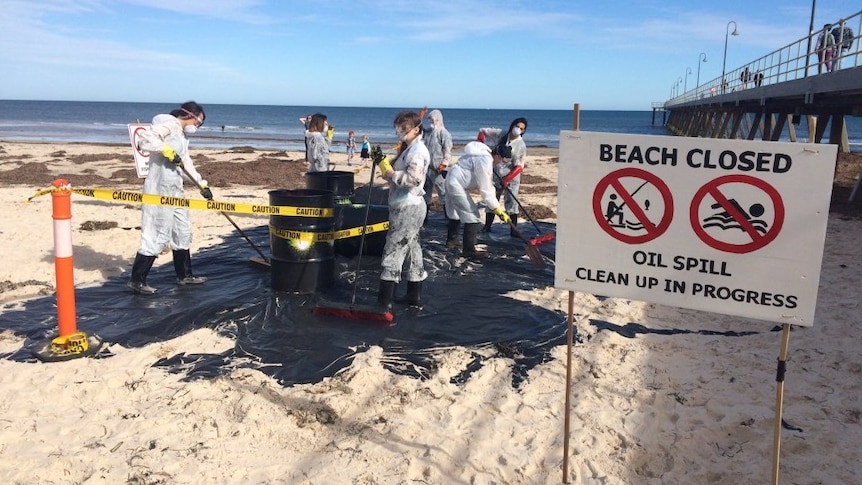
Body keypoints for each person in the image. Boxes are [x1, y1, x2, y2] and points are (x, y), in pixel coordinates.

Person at [128, 101, 212, 294]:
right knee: (157, 232)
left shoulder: (182, 136)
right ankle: (137, 280)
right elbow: (145, 138)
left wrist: (202, 185)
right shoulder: (168, 124)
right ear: (190, 115)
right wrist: (165, 150)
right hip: (159, 189)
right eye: (199, 123)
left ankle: (185, 276)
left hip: (175, 189)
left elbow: (186, 163)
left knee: (182, 231)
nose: (197, 127)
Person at [373, 110, 430, 310]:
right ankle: (413, 296)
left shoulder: (417, 151)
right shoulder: (409, 148)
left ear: (416, 129)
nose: (400, 132)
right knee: (413, 250)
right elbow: (399, 170)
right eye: (398, 128)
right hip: (407, 206)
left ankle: (384, 301)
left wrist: (391, 173)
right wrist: (382, 162)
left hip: (408, 207)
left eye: (404, 128)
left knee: (393, 249)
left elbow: (413, 179)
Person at [444, 141, 510, 259]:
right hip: (456, 184)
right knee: (472, 214)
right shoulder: (484, 161)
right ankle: (468, 249)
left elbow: (488, 184)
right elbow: (485, 189)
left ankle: (451, 241)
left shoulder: (483, 156)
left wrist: (495, 206)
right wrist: (497, 209)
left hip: (452, 179)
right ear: (498, 156)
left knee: (455, 213)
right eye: (503, 161)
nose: (502, 164)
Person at [478, 117, 528, 237]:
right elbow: (483, 131)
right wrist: (480, 143)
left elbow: (519, 166)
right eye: (517, 126)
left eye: (521, 128)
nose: (518, 129)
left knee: (511, 203)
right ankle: (487, 226)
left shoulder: (521, 146)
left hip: (511, 178)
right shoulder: (502, 134)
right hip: (496, 175)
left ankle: (513, 231)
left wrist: (508, 179)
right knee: (492, 200)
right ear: (512, 126)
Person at [422, 109, 453, 224]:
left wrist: (444, 163)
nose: (430, 122)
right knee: (426, 193)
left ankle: (448, 217)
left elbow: (447, 151)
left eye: (432, 120)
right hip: (428, 168)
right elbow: (419, 131)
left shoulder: (444, 134)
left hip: (439, 168)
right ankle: (424, 218)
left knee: (443, 192)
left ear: (438, 120)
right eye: (429, 120)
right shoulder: (428, 132)